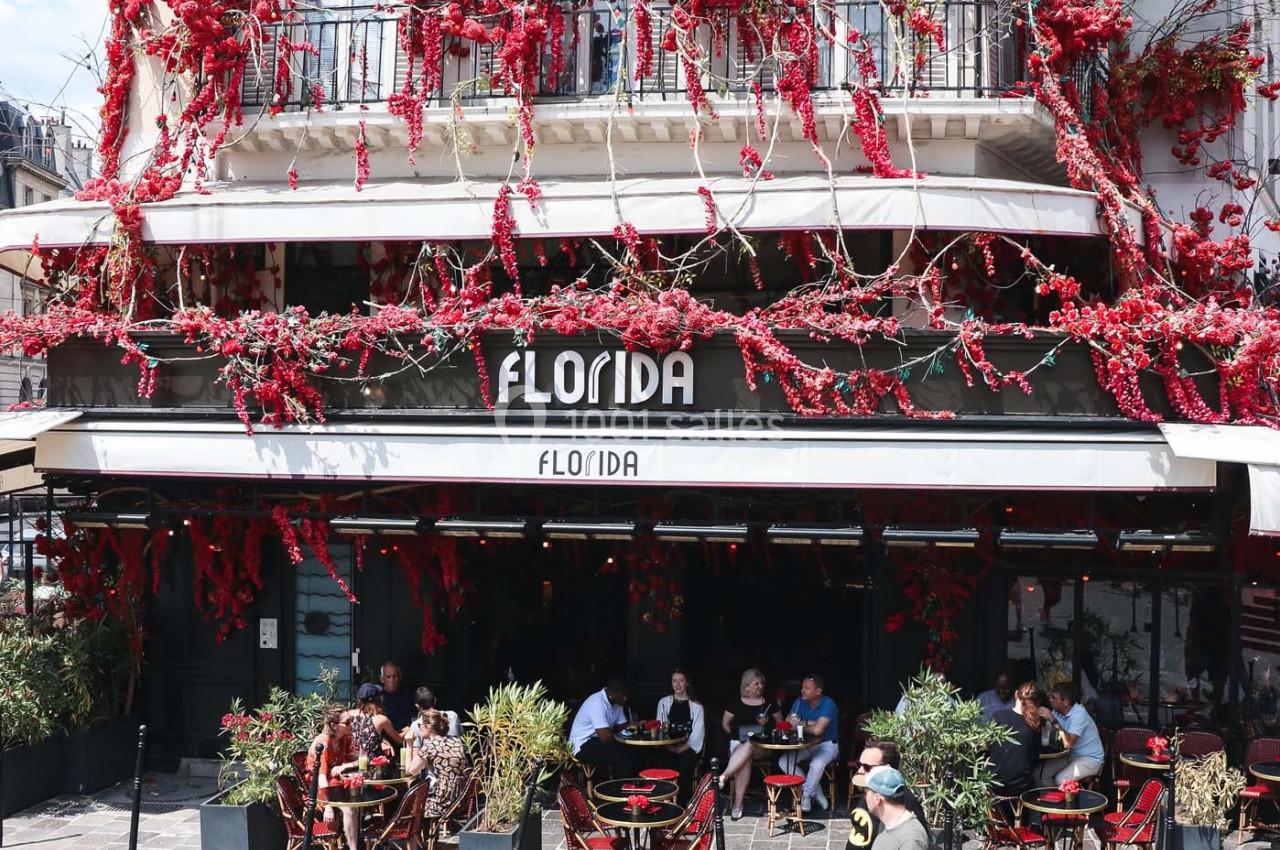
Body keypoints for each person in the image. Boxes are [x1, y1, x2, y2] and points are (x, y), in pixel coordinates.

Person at [718, 668, 784, 821]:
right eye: (756, 684)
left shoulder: (769, 703)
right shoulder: (735, 702)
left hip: (762, 748)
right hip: (738, 746)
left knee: (750, 743)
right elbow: (725, 724)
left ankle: (724, 777)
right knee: (746, 754)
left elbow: (781, 724)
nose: (760, 686)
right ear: (746, 686)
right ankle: (738, 804)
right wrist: (734, 735)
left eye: (761, 684)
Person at [780, 674, 839, 812]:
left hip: (827, 744)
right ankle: (814, 787)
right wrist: (808, 723)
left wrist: (801, 723)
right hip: (806, 744)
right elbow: (788, 723)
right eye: (802, 687)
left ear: (818, 691)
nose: (802, 691)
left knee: (816, 764)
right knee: (783, 761)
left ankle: (806, 795)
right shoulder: (799, 702)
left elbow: (818, 731)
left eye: (807, 688)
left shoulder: (828, 703)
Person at [308, 706, 359, 849]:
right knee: (349, 809)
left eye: (352, 720)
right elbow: (321, 775)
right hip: (318, 786)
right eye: (347, 722)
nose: (352, 724)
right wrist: (328, 805)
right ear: (334, 725)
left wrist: (344, 766)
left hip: (336, 783)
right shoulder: (322, 743)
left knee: (357, 804)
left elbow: (360, 759)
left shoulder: (345, 738)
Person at [569, 677, 637, 778]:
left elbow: (622, 727)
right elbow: (605, 738)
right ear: (612, 694)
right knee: (621, 755)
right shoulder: (597, 703)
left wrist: (637, 725)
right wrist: (623, 735)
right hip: (581, 744)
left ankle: (634, 784)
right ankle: (619, 788)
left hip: (597, 741)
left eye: (626, 695)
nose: (625, 699)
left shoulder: (617, 703)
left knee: (634, 750)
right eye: (623, 696)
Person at [407, 708, 470, 816]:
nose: (418, 729)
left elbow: (410, 771)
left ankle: (419, 831)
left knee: (413, 803)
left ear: (429, 727)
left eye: (419, 725)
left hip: (442, 803)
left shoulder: (430, 746)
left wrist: (409, 744)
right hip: (461, 800)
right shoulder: (456, 740)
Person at [656, 668, 705, 801]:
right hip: (668, 745)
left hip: (689, 747)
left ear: (687, 683)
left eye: (681, 681)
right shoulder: (664, 702)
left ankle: (683, 804)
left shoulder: (696, 707)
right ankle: (665, 800)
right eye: (674, 681)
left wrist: (681, 748)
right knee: (664, 762)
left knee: (684, 766)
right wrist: (669, 746)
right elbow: (661, 726)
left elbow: (698, 733)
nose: (677, 684)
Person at [1041, 682, 1104, 784]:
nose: (1050, 700)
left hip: (1090, 759)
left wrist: (1053, 720)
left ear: (1065, 701)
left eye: (1053, 698)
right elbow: (1049, 730)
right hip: (1070, 756)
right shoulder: (1057, 711)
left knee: (1060, 780)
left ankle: (1066, 799)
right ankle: (1050, 799)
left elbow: (1068, 743)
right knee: (1041, 774)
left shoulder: (1079, 714)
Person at [989, 682, 1042, 796]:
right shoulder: (1034, 723)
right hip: (1021, 786)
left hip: (994, 784)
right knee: (1039, 777)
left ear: (1016, 695)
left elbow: (990, 747)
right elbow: (1035, 756)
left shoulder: (998, 716)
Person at [864, 767, 929, 850]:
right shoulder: (888, 826)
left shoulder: (911, 840)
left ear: (877, 798)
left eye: (866, 792)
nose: (865, 797)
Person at [348, 682, 405, 760]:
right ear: (378, 700)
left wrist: (382, 740)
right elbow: (399, 740)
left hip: (350, 761)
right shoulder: (381, 719)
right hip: (371, 765)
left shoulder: (349, 715)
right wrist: (408, 730)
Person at [380, 661, 415, 732]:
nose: (392, 680)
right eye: (388, 677)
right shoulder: (378, 698)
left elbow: (414, 716)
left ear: (400, 677)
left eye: (394, 676)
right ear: (382, 679)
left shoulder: (408, 696)